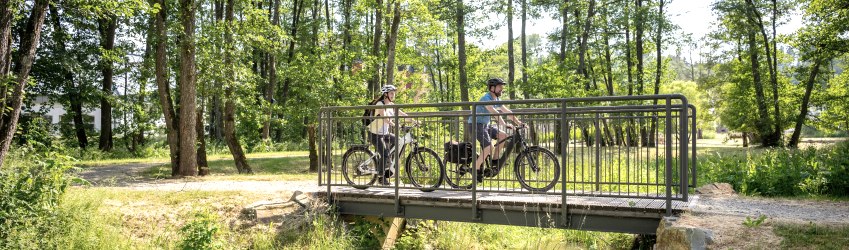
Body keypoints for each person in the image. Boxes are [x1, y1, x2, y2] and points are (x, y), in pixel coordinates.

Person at [468, 78, 523, 183]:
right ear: (492, 88)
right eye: (499, 86)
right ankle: (475, 168)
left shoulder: (496, 100)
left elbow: (507, 111)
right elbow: (494, 112)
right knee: (489, 147)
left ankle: (494, 160)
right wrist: (504, 124)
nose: (502, 89)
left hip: (485, 125)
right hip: (476, 125)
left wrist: (519, 123)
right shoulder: (486, 98)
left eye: (502, 86)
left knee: (503, 136)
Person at [368, 84, 415, 185]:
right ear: (385, 94)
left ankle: (389, 164)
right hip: (375, 134)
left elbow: (402, 114)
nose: (393, 95)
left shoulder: (391, 105)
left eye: (394, 93)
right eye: (391, 93)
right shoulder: (380, 104)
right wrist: (397, 125)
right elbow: (385, 119)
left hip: (384, 134)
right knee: (384, 154)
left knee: (399, 141)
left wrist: (413, 121)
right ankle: (381, 177)